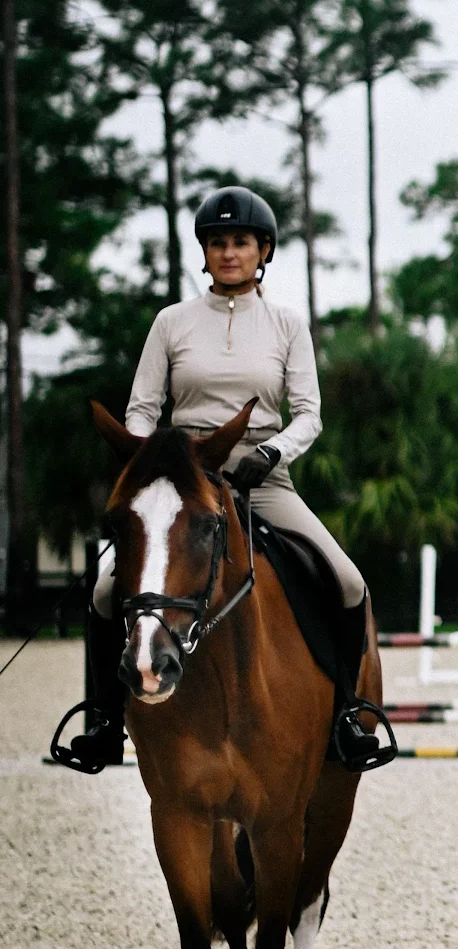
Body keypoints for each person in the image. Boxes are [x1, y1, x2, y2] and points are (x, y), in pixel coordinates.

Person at [63, 185, 386, 772]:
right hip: (185, 482)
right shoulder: (172, 322)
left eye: (240, 242)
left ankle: (346, 716)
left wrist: (275, 451)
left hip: (263, 480)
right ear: (204, 253)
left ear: (263, 251)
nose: (229, 252)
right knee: (107, 592)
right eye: (217, 242)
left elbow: (308, 412)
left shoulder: (287, 324)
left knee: (348, 581)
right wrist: (145, 456)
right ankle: (105, 722)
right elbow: (142, 406)